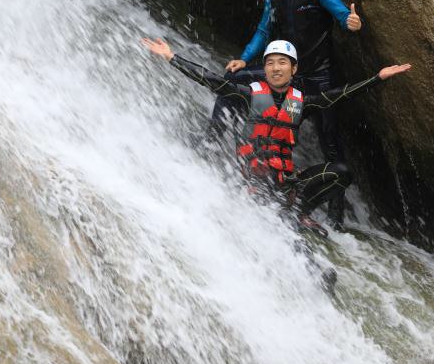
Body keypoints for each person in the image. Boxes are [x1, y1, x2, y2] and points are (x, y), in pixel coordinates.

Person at [142, 37, 410, 236]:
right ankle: (311, 266)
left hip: (286, 183)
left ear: (293, 70)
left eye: (283, 63)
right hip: (254, 183)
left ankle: (301, 211)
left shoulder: (302, 103)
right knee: (281, 223)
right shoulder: (249, 94)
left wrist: (378, 77)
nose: (276, 68)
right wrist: (171, 57)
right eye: (270, 63)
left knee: (341, 171)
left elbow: (341, 94)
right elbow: (213, 80)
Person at [210, 0, 364, 228]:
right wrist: (244, 58)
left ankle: (336, 217)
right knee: (234, 80)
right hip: (287, 73)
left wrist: (350, 23)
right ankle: (214, 139)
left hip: (319, 76)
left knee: (329, 140)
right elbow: (262, 30)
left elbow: (343, 15)